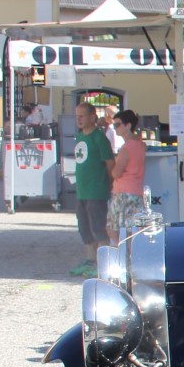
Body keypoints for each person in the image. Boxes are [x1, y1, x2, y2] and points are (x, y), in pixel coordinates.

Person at [70, 103, 115, 275]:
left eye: (82, 116)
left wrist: (108, 183)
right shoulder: (81, 136)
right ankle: (90, 261)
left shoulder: (100, 138)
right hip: (82, 191)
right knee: (85, 227)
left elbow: (111, 164)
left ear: (92, 117)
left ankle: (103, 264)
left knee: (99, 227)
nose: (79, 119)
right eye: (77, 116)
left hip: (97, 191)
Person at [107, 109, 147, 243]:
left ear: (128, 125)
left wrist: (113, 163)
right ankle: (131, 255)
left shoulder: (126, 149)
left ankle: (125, 254)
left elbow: (116, 173)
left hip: (122, 192)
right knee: (132, 229)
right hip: (137, 191)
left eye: (118, 125)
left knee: (112, 228)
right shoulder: (141, 145)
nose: (115, 128)